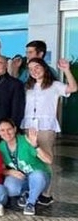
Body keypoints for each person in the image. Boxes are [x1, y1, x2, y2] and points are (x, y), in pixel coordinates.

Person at [21, 57, 77, 205]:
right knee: (29, 160)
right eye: (31, 69)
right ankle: (31, 189)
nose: (34, 71)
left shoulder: (54, 85)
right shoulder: (28, 87)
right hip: (28, 126)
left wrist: (66, 70)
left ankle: (46, 193)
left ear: (44, 68)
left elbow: (73, 88)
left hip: (46, 127)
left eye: (37, 67)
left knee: (46, 159)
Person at [0, 119, 52, 216]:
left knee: (38, 176)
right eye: (2, 130)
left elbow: (49, 160)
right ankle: (27, 193)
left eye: (9, 129)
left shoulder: (25, 140)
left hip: (39, 176)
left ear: (14, 129)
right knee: (10, 187)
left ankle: (30, 203)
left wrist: (35, 145)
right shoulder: (1, 147)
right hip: (22, 177)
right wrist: (9, 172)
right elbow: (0, 169)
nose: (6, 133)